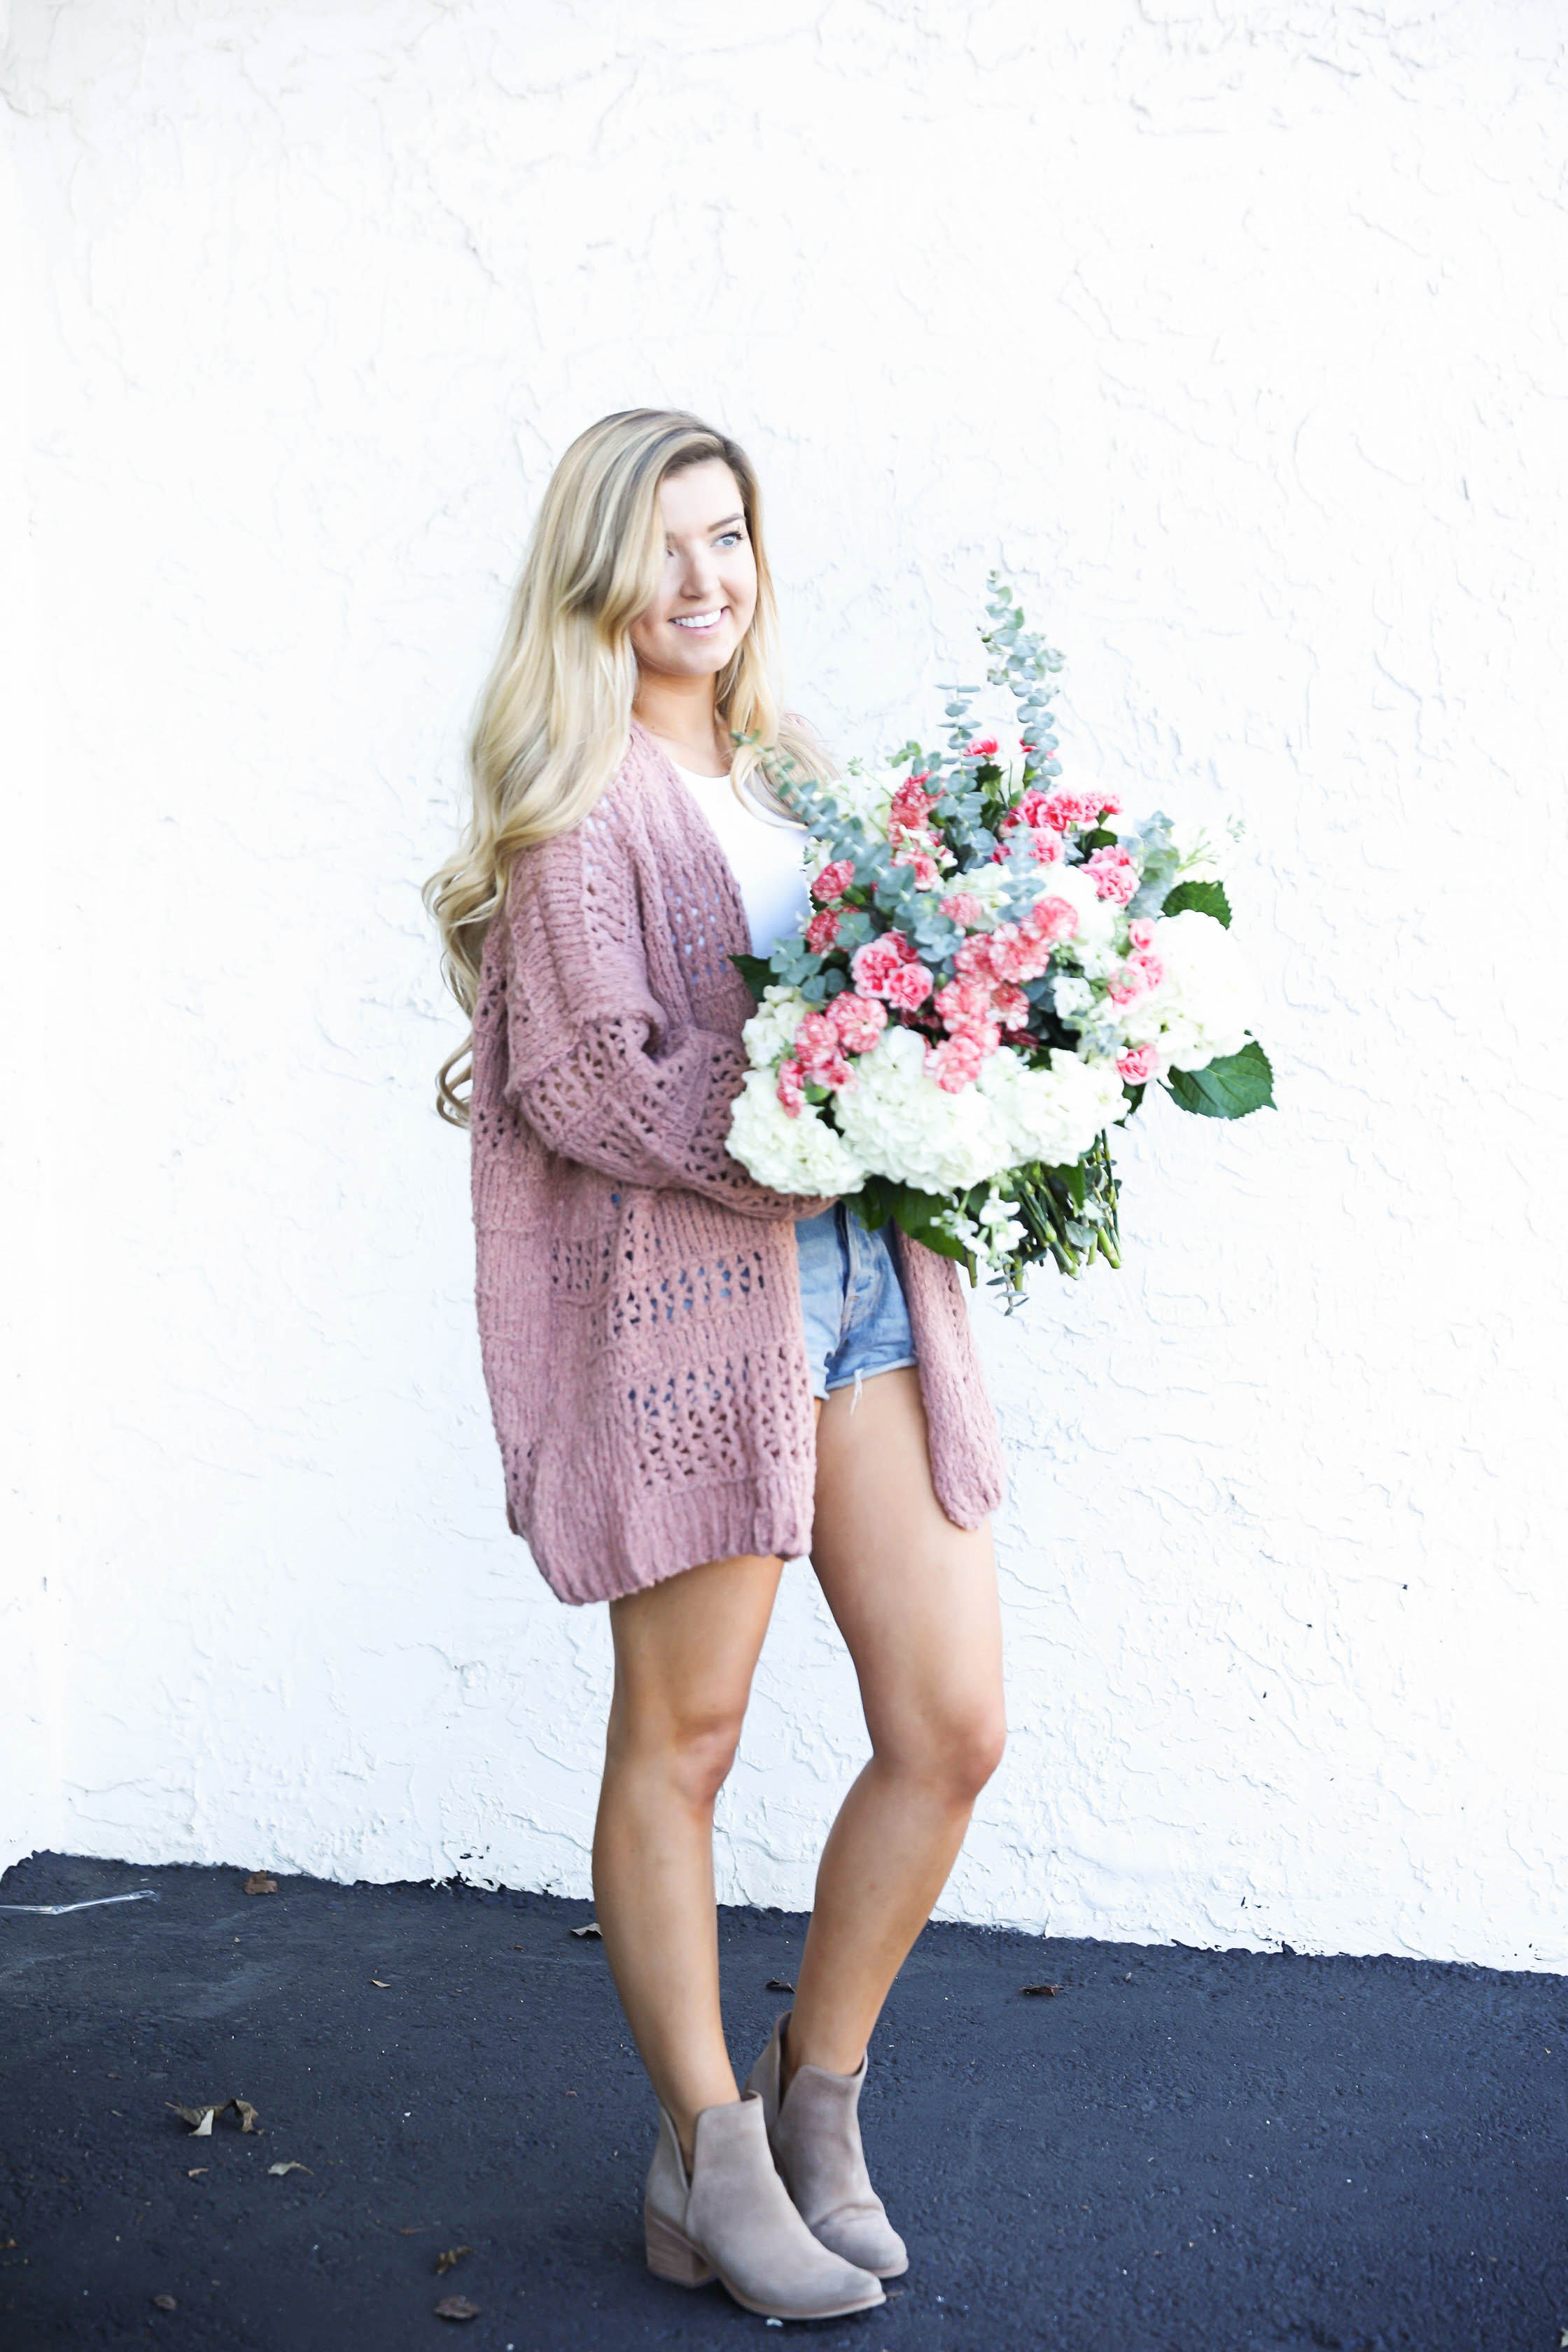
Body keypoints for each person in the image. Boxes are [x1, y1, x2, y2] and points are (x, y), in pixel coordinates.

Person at [424, 408, 1008, 2322]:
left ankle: (812, 2101)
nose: (706, 578)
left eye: (731, 535)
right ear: (598, 572)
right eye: (665, 544)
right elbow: (591, 1082)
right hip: (701, 1320)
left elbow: (901, 1009)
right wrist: (823, 1108)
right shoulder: (582, 808)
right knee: (683, 1742)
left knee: (951, 1723)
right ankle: (704, 2148)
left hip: (859, 1300)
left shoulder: (794, 778)